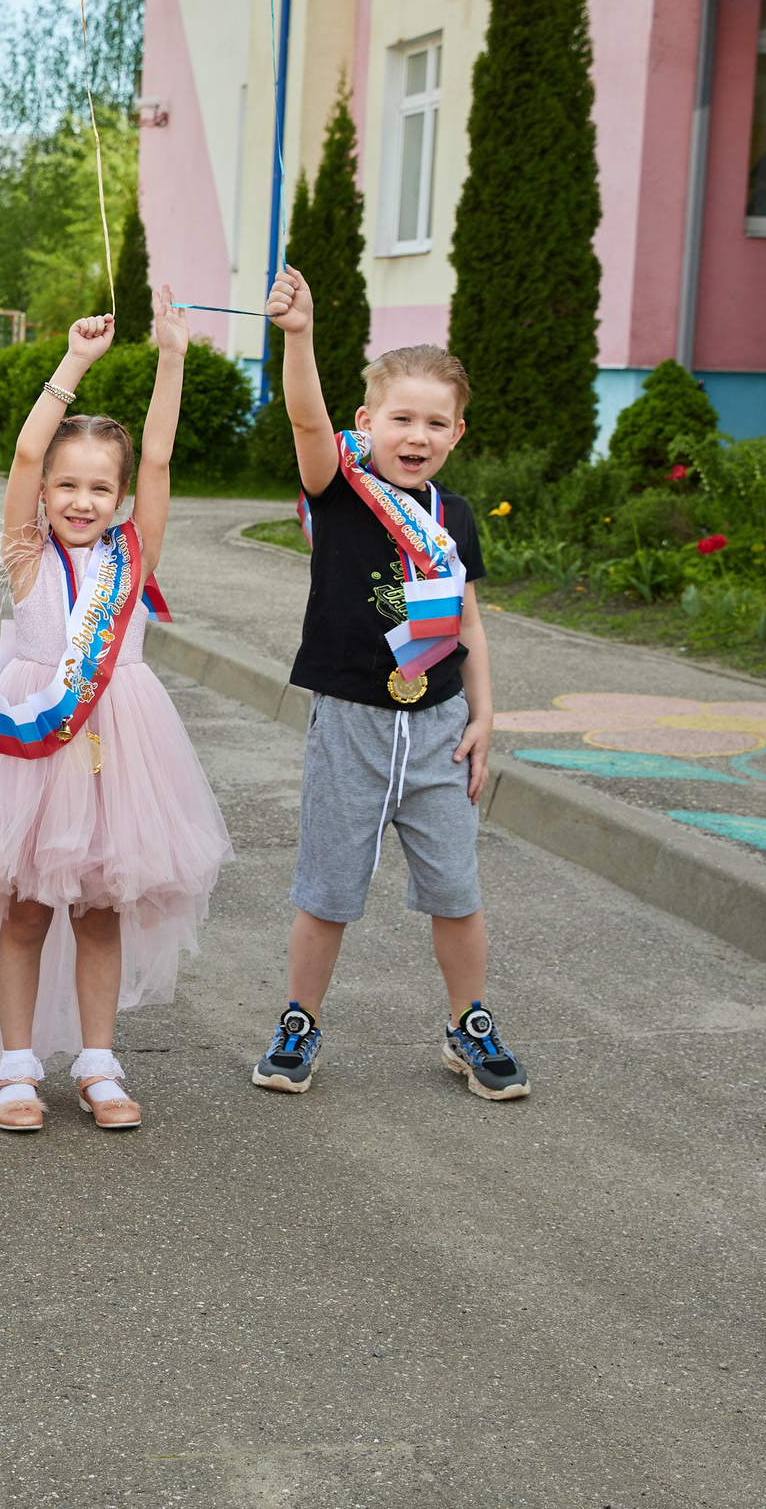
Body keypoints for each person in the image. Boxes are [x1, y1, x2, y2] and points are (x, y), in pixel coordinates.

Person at [0, 290, 232, 1131]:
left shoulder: (133, 552)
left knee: (98, 909)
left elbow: (157, 460)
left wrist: (172, 357)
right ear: (46, 491)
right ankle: (15, 1064)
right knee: (23, 908)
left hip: (121, 746)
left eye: (99, 488)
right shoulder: (25, 557)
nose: (81, 500)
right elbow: (19, 456)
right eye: (66, 485)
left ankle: (96, 1058)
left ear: (120, 498)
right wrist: (74, 362)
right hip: (33, 752)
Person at [253, 266, 527, 1101]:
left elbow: (469, 622)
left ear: (457, 433)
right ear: (366, 422)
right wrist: (299, 336)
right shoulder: (338, 490)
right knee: (329, 887)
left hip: (439, 725)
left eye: (435, 422)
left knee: (456, 886)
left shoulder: (455, 517)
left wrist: (484, 716)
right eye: (401, 418)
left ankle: (469, 1021)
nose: (417, 435)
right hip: (352, 722)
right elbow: (305, 413)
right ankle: (299, 1020)